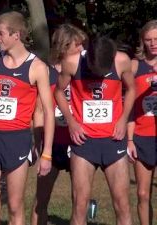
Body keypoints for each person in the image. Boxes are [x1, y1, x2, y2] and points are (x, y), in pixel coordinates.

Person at [0, 11, 54, 225]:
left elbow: (48, 112)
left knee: (15, 208)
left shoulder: (37, 68)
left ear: (16, 35)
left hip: (17, 140)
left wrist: (47, 153)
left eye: (1, 33)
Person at [54, 36, 135, 225]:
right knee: (80, 206)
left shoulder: (122, 61)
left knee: (122, 205)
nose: (99, 75)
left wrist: (123, 119)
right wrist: (71, 120)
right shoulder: (72, 63)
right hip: (84, 142)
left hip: (113, 139)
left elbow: (131, 89)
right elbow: (58, 91)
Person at [31, 24, 86, 225]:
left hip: (78, 142)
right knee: (41, 201)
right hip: (52, 145)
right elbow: (38, 111)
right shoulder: (46, 72)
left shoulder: (84, 70)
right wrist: (38, 144)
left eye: (82, 45)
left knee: (79, 201)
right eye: (77, 45)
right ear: (63, 47)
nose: (81, 49)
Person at [127, 20, 157, 225]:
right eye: (149, 40)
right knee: (143, 193)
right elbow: (126, 105)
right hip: (141, 136)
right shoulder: (135, 65)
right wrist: (129, 140)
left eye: (156, 39)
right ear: (142, 42)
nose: (153, 43)